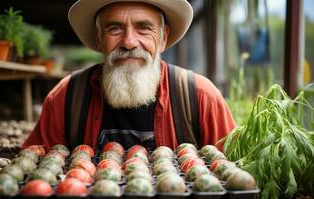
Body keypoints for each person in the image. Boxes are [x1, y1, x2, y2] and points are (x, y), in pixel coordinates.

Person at [23, 0, 236, 152]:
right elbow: (36, 170)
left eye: (143, 28)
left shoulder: (200, 97)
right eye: (114, 28)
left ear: (163, 38)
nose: (128, 42)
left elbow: (230, 174)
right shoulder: (66, 97)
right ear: (98, 39)